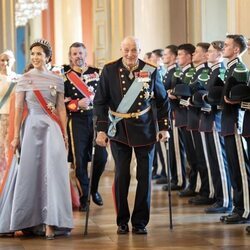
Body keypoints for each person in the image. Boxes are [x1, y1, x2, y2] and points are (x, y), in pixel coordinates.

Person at [94, 36, 170, 235]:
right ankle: (121, 220)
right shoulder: (110, 70)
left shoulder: (150, 70)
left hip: (145, 129)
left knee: (144, 176)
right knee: (121, 174)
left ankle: (140, 222)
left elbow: (162, 101)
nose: (130, 54)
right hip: (119, 129)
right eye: (126, 50)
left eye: (134, 50)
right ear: (121, 49)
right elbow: (100, 102)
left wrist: (163, 127)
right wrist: (101, 129)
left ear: (139, 49)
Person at [0, 39, 73, 239]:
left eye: (39, 54)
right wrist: (15, 137)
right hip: (31, 128)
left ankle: (52, 222)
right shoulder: (24, 79)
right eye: (33, 54)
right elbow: (19, 108)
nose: (35, 57)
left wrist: (65, 134)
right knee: (30, 175)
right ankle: (28, 221)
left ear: (48, 57)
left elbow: (60, 108)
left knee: (52, 174)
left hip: (52, 130)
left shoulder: (57, 79)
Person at [64, 42, 108, 212]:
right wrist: (76, 104)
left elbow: (105, 96)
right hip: (76, 120)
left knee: (102, 157)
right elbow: (62, 102)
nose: (78, 56)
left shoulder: (97, 73)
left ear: (86, 54)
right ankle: (84, 198)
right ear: (70, 56)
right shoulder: (65, 77)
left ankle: (93, 188)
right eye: (74, 54)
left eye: (81, 53)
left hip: (96, 119)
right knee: (79, 161)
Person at [219, 34, 250, 224]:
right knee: (234, 168)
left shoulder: (239, 68)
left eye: (227, 45)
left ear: (236, 50)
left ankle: (245, 210)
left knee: (241, 169)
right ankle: (238, 207)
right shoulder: (229, 68)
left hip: (235, 123)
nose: (224, 48)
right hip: (228, 122)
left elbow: (239, 98)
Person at [0, 50, 18, 183]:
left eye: (8, 60)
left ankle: (9, 181)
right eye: (2, 60)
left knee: (10, 150)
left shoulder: (19, 78)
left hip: (14, 119)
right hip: (1, 118)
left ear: (13, 61)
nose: (5, 63)